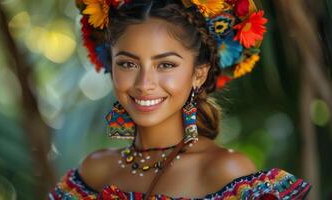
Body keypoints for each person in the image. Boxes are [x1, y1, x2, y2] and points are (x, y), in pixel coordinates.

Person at [48, 0, 312, 199]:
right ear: (111, 66)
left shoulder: (225, 171)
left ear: (199, 73)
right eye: (128, 63)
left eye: (165, 65)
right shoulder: (95, 170)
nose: (143, 84)